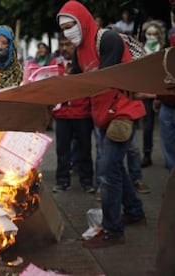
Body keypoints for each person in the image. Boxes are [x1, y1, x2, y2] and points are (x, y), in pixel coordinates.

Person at [57, 0, 146, 249]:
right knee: (116, 168)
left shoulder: (108, 40)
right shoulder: (79, 50)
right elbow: (76, 81)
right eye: (63, 28)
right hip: (103, 116)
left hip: (122, 114)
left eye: (70, 25)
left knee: (106, 171)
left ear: (82, 20)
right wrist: (47, 83)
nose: (67, 32)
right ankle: (135, 212)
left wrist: (69, 83)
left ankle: (113, 229)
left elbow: (101, 80)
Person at [50, 34, 94, 193]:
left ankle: (87, 181)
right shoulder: (55, 64)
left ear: (75, 46)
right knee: (62, 151)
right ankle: (62, 181)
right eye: (62, 44)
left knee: (85, 150)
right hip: (62, 115)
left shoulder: (85, 64)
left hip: (82, 113)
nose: (64, 48)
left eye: (68, 44)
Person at [140, 20, 167, 168]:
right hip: (146, 93)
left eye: (154, 34)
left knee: (167, 125)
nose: (151, 37)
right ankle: (147, 154)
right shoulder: (141, 51)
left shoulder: (163, 50)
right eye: (149, 34)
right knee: (148, 125)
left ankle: (169, 156)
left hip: (163, 93)